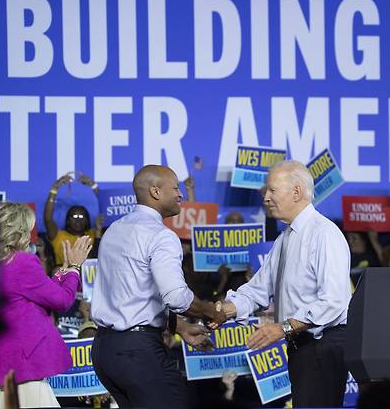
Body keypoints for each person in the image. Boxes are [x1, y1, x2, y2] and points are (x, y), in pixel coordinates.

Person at [216, 160, 351, 407]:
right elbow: (258, 289)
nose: (265, 197)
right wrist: (224, 311)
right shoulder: (285, 238)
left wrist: (283, 328)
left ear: (296, 192)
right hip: (302, 347)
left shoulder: (325, 234)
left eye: (272, 191)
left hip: (323, 347)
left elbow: (334, 301)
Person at [91, 164, 227, 408]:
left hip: (105, 352)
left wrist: (179, 326)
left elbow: (130, 295)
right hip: (139, 354)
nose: (180, 194)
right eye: (175, 188)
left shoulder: (113, 231)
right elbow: (177, 297)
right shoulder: (161, 236)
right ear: (155, 191)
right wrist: (210, 311)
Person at [0, 202, 92, 408]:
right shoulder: (21, 262)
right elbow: (62, 301)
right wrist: (75, 268)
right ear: (20, 231)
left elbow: (35, 292)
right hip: (18, 370)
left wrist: (63, 271)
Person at [44, 172, 104, 267]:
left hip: (89, 279)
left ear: (87, 220)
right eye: (74, 217)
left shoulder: (95, 233)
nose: (78, 220)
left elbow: (107, 209)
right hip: (64, 279)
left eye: (81, 217)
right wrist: (54, 190)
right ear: (68, 220)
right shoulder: (58, 236)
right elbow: (48, 218)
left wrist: (94, 187)